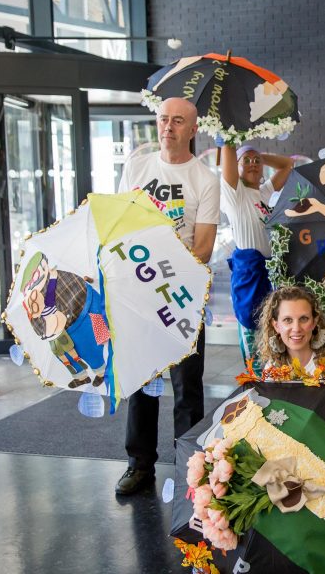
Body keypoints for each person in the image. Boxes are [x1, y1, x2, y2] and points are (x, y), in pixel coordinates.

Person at [115, 97, 220, 495]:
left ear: (193, 129)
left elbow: (205, 247)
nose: (168, 127)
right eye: (163, 119)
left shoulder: (204, 180)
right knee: (141, 383)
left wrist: (164, 268)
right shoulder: (136, 168)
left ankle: (190, 467)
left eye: (177, 121)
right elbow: (122, 225)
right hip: (138, 294)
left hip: (182, 297)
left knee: (187, 387)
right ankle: (139, 465)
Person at [220, 143, 293, 373]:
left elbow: (287, 164)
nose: (253, 164)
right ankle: (255, 388)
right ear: (236, 167)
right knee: (252, 335)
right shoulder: (234, 194)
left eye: (256, 161)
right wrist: (231, 142)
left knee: (274, 335)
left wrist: (258, 156)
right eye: (246, 161)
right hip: (249, 276)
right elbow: (228, 154)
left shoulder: (263, 193)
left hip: (270, 274)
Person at [255, 285, 325, 391]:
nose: (296, 328)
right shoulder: (272, 367)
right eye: (288, 320)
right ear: (276, 325)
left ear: (314, 322)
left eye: (303, 319)